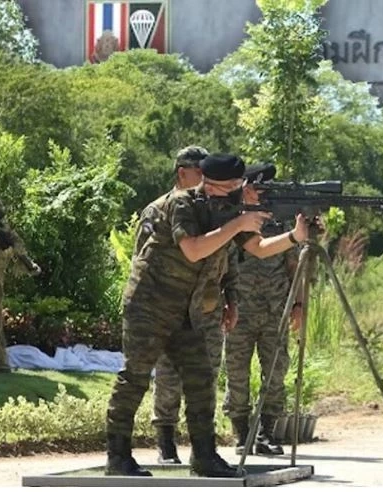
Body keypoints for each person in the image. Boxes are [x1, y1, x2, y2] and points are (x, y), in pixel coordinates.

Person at [105, 153, 309, 477]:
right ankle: (117, 458)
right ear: (212, 184)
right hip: (150, 305)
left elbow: (258, 248)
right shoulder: (182, 203)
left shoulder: (227, 211)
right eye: (233, 186)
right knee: (135, 378)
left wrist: (295, 237)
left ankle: (204, 458)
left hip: (186, 310)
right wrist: (238, 222)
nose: (236, 192)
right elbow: (194, 249)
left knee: (201, 380)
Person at [146, 146, 239, 465]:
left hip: (207, 310)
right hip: (171, 310)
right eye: (198, 172)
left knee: (207, 378)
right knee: (169, 377)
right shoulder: (158, 209)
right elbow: (144, 263)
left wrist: (232, 300)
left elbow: (228, 259)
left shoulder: (216, 211)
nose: (204, 178)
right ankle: (166, 443)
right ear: (181, 173)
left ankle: (203, 447)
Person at [223, 163, 304, 456]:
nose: (263, 194)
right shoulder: (231, 221)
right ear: (245, 188)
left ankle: (267, 433)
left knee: (275, 373)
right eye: (258, 188)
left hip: (274, 311)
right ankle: (242, 433)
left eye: (266, 190)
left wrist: (298, 304)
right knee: (237, 373)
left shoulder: (280, 223)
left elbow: (295, 266)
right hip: (239, 310)